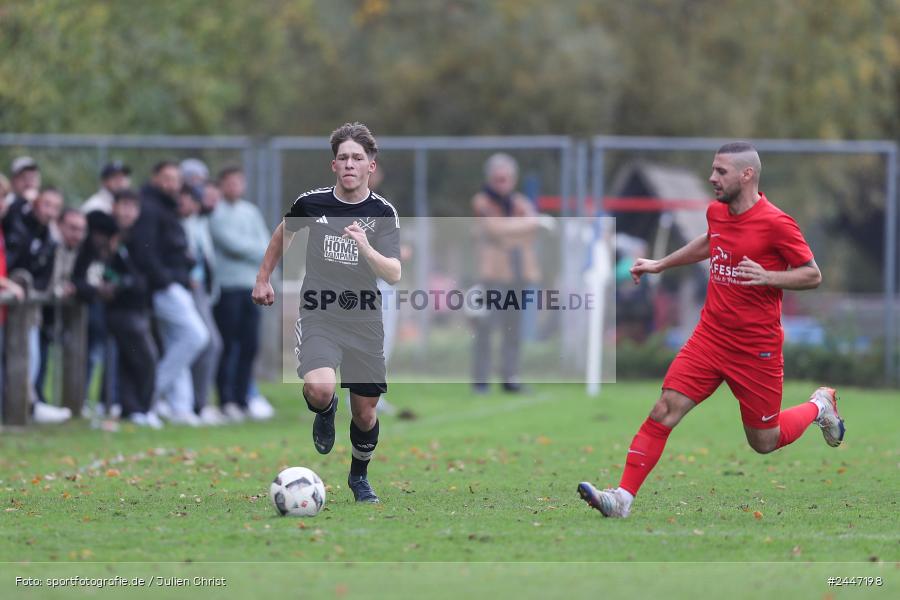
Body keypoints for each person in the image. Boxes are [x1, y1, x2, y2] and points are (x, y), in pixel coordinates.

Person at [577, 142, 845, 518]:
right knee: (664, 410)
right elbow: (709, 241)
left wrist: (768, 276)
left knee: (764, 441)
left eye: (721, 171)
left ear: (746, 175)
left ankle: (819, 406)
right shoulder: (716, 212)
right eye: (713, 170)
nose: (712, 178)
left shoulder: (777, 223)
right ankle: (622, 498)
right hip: (710, 338)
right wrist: (659, 264)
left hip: (756, 349)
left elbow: (813, 274)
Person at [252, 122, 400, 503]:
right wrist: (264, 277)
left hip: (365, 321)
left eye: (357, 158)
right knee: (320, 389)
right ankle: (326, 408)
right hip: (320, 314)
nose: (349, 164)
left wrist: (365, 248)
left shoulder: (382, 212)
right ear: (333, 165)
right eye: (343, 158)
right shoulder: (311, 203)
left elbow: (394, 273)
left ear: (371, 165)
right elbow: (283, 234)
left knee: (366, 415)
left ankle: (358, 476)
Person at [131, 160, 209, 426]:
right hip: (165, 287)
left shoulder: (167, 206)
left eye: (175, 179)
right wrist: (165, 281)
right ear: (154, 177)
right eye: (165, 177)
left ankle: (180, 408)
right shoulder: (150, 207)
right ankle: (148, 399)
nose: (171, 183)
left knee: (179, 342)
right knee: (196, 337)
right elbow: (145, 250)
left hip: (177, 284)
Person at [470, 153, 545, 394]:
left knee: (512, 331)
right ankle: (481, 381)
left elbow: (532, 231)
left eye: (506, 178)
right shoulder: (481, 201)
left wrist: (512, 229)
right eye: (498, 178)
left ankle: (510, 378)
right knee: (485, 328)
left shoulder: (520, 202)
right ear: (490, 178)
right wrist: (523, 226)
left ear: (513, 179)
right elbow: (494, 229)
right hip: (491, 276)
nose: (502, 183)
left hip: (518, 275)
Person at [208, 166, 272, 422]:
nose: (234, 187)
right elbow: (230, 244)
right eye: (229, 182)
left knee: (249, 345)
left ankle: (243, 398)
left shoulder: (251, 211)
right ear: (222, 185)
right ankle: (226, 400)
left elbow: (267, 242)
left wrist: (259, 250)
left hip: (251, 287)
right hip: (227, 287)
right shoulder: (216, 212)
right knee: (228, 344)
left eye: (238, 182)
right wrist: (258, 250)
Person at [176, 184, 223, 425]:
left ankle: (198, 403)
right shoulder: (178, 223)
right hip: (187, 290)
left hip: (203, 291)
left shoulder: (201, 222)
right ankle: (195, 404)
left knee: (209, 344)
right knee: (208, 343)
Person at [35, 208, 86, 403]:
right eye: (72, 228)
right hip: (34, 312)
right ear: (59, 225)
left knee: (43, 357)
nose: (77, 234)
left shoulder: (77, 250)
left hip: (50, 315)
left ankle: (39, 400)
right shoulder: (49, 245)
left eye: (81, 229)